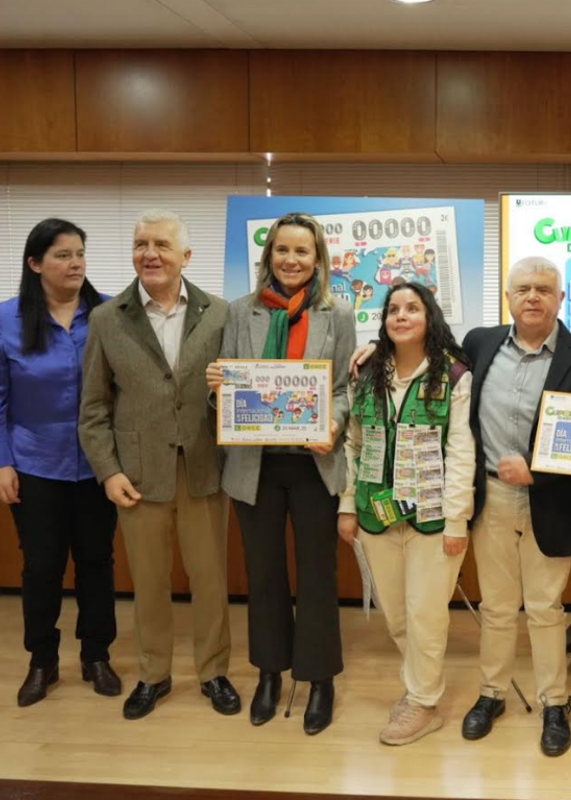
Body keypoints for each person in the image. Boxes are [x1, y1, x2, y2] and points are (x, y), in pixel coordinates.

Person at [79, 208, 237, 720]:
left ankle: (214, 672)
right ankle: (153, 674)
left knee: (210, 580)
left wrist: (225, 391)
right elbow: (94, 408)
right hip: (137, 476)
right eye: (141, 244)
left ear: (186, 256)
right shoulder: (107, 318)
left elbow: (239, 395)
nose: (150, 254)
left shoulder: (221, 313)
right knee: (148, 583)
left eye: (162, 245)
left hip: (204, 469)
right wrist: (109, 471)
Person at [206, 212, 356, 735]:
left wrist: (333, 423)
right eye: (282, 250)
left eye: (303, 252)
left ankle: (319, 679)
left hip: (314, 464)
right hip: (255, 465)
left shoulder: (337, 314)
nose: (292, 260)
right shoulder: (239, 312)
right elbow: (226, 379)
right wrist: (217, 384)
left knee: (318, 575)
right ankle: (270, 672)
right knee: (264, 573)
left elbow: (342, 389)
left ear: (319, 260)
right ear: (268, 256)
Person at [458, 257, 571, 757]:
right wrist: (374, 347)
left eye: (544, 289)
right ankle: (491, 693)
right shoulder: (480, 344)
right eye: (523, 288)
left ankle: (553, 702)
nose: (533, 297)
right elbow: (427, 360)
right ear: (508, 298)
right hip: (491, 498)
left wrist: (537, 472)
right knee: (498, 606)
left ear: (560, 299)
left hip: (554, 500)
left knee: (546, 608)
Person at [0, 218, 120, 707]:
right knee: (42, 567)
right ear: (35, 264)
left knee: (97, 562)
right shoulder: (4, 320)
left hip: (100, 465)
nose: (75, 262)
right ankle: (42, 661)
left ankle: (96, 654)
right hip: (33, 464)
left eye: (80, 253)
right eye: (62, 255)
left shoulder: (107, 316)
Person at [338, 282, 475, 746]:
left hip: (433, 519)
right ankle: (419, 688)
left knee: (425, 614)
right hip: (376, 513)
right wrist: (346, 504)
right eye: (393, 309)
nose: (401, 316)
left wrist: (458, 520)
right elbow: (353, 444)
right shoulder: (366, 372)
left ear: (429, 318)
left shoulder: (455, 376)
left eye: (412, 308)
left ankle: (422, 701)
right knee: (396, 617)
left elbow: (461, 451)